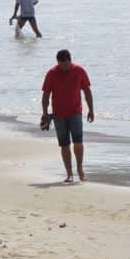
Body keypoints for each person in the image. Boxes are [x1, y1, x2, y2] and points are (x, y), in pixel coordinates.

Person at [41, 49, 94, 183]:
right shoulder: (52, 73)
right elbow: (46, 95)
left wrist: (91, 110)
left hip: (76, 112)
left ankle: (80, 170)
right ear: (57, 62)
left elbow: (87, 91)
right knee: (64, 144)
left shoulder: (79, 71)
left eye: (66, 64)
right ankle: (69, 173)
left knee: (78, 142)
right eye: (61, 65)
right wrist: (45, 113)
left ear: (70, 61)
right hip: (58, 114)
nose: (64, 67)